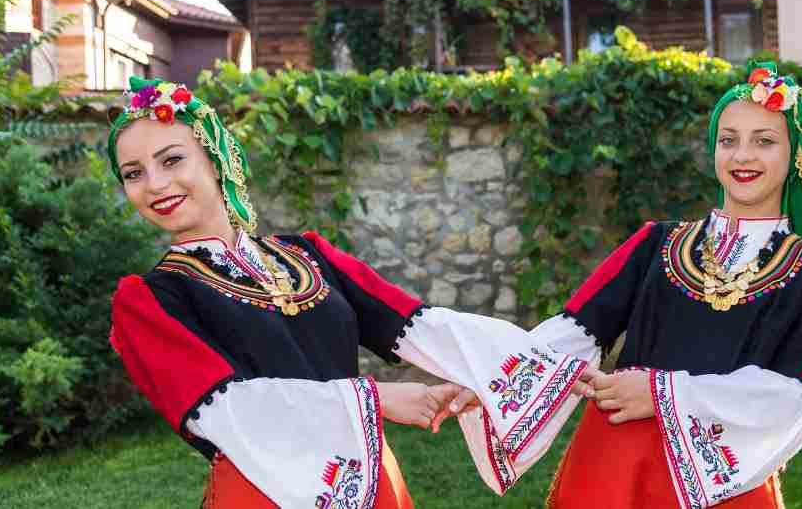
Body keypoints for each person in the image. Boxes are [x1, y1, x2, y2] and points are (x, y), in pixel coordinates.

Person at [106, 77, 597, 509]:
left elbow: (416, 323)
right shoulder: (149, 300)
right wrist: (376, 400)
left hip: (370, 477)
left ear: (215, 158)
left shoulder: (307, 255)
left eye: (172, 160)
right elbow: (226, 408)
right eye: (133, 173)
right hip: (262, 491)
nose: (155, 184)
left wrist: (525, 367)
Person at [453, 61, 802, 507]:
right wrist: (493, 383)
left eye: (764, 141)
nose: (742, 156)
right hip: (614, 461)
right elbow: (574, 331)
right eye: (728, 141)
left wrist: (664, 393)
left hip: (725, 484)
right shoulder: (655, 244)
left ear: (795, 154)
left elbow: (801, 399)